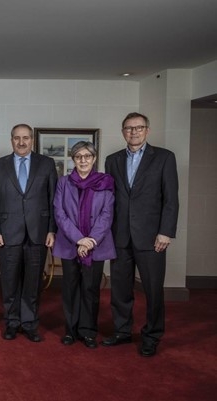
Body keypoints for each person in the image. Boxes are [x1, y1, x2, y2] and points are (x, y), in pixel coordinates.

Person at [102, 112, 179, 357]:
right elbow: (109, 199)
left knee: (153, 290)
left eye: (138, 128)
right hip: (120, 236)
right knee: (120, 289)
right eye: (128, 128)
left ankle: (152, 335)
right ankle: (122, 331)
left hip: (151, 237)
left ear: (147, 130)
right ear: (122, 131)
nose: (133, 132)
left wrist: (165, 232)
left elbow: (171, 199)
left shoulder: (165, 158)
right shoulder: (112, 160)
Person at [0, 123, 57, 342]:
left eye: (25, 138)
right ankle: (12, 322)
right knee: (9, 281)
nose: (21, 142)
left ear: (32, 140)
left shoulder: (46, 164)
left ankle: (29, 323)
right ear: (11, 140)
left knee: (33, 282)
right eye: (17, 138)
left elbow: (54, 200)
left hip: (38, 232)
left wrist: (51, 230)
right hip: (7, 233)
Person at [53, 141, 115, 349]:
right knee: (70, 289)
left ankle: (88, 331)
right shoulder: (64, 182)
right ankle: (70, 330)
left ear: (94, 158)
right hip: (70, 244)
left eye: (87, 156)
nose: (83, 160)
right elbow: (59, 214)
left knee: (90, 289)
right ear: (73, 159)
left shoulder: (105, 182)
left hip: (97, 245)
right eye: (78, 156)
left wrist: (90, 241)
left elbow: (107, 215)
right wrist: (79, 239)